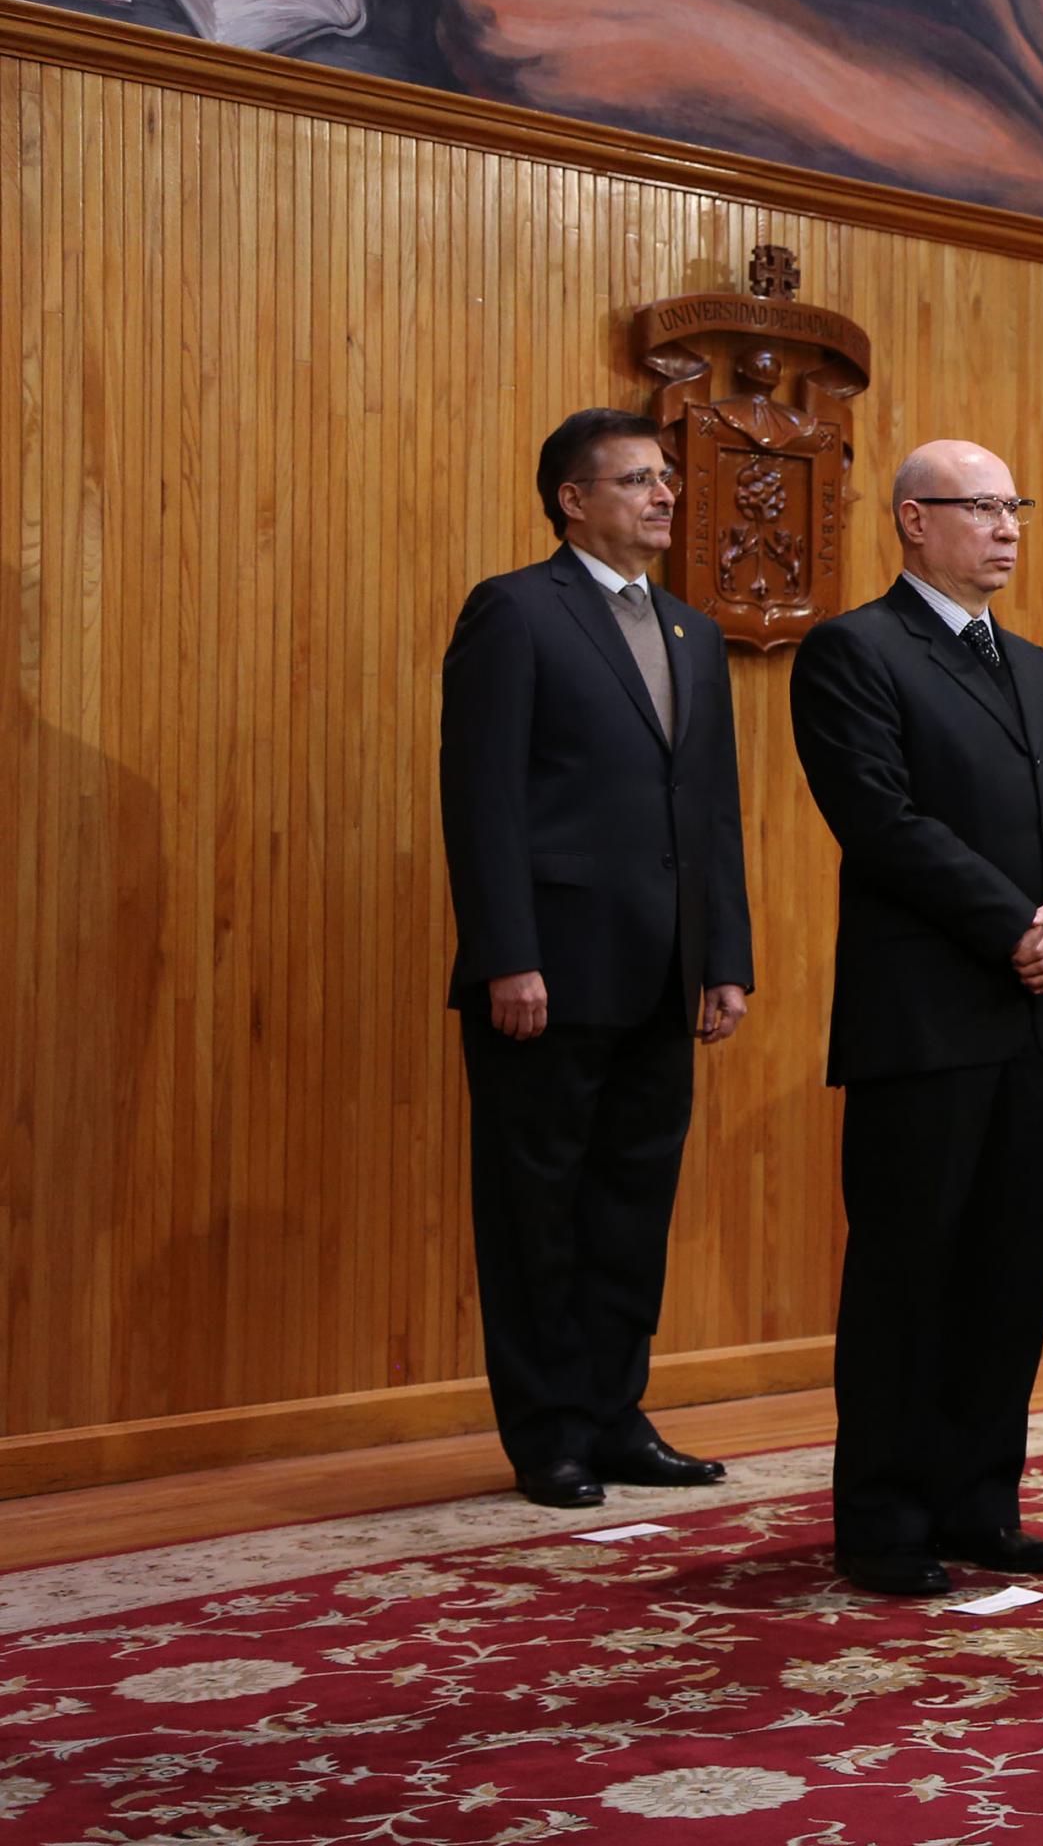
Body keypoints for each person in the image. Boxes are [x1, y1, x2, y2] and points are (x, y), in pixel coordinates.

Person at [788, 440, 1043, 1598]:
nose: (1007, 526)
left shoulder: (1031, 664)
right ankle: (882, 1521)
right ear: (911, 522)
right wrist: (1019, 924)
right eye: (980, 506)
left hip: (1039, 1019)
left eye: (1014, 504)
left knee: (1007, 1275)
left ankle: (982, 1504)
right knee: (907, 1276)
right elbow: (881, 821)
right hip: (925, 1020)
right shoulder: (854, 650)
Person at [440, 407, 754, 1510]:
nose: (664, 495)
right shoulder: (518, 610)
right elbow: (481, 800)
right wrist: (504, 954)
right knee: (538, 1211)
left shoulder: (692, 632)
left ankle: (617, 1415)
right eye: (636, 480)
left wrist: (725, 957)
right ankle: (548, 1434)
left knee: (631, 1208)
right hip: (547, 972)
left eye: (666, 478)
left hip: (665, 972)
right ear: (573, 499)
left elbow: (710, 810)